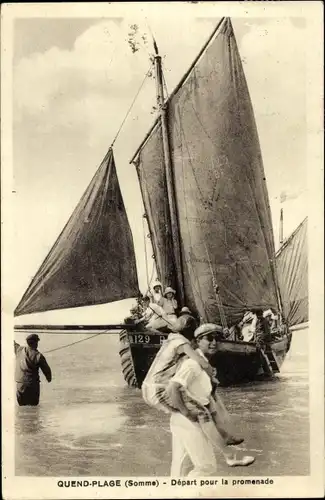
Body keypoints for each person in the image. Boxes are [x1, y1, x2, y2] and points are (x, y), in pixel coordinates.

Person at [167, 324, 255, 476]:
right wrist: (186, 413)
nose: (214, 342)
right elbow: (173, 388)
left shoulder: (204, 365)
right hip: (188, 421)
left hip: (184, 420)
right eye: (209, 338)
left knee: (181, 466)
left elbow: (205, 397)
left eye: (217, 339)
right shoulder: (193, 364)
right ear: (198, 341)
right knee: (206, 467)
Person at [15, 334, 52, 406]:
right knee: (33, 406)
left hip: (20, 384)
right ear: (36, 343)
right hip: (32, 386)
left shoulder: (19, 350)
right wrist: (49, 378)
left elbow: (13, 344)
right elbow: (47, 370)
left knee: (22, 407)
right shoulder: (39, 355)